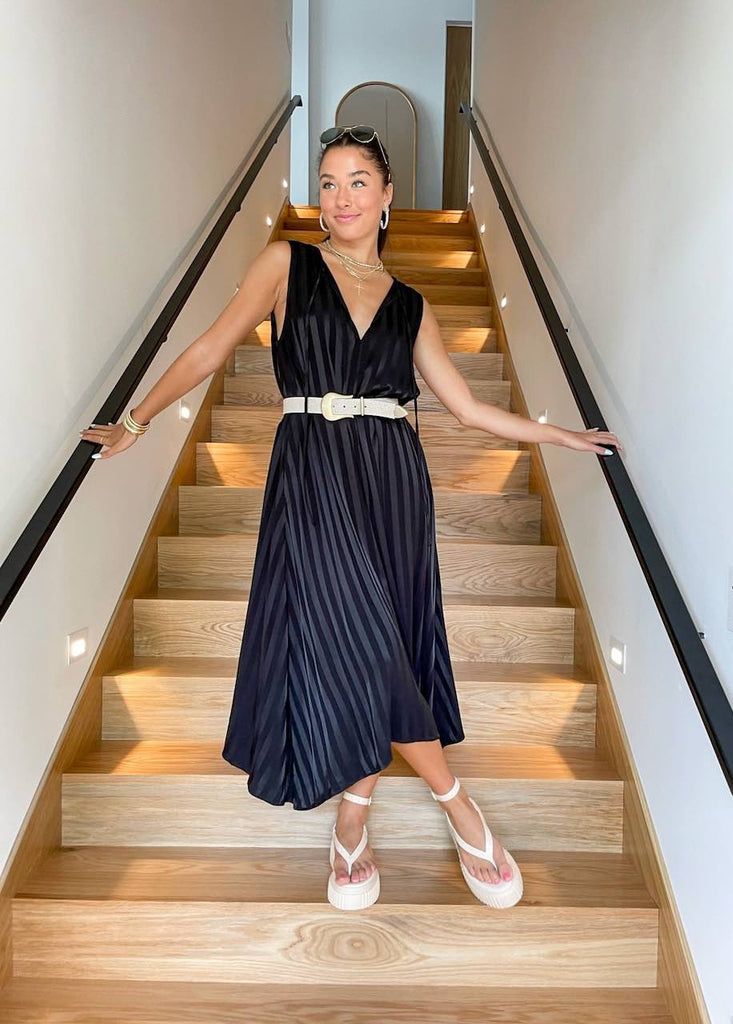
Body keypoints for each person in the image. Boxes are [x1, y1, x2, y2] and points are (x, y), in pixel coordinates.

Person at [80, 125, 623, 913]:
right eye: (328, 182)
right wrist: (136, 421)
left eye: (358, 181)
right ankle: (459, 806)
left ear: (387, 193)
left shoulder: (413, 305)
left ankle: (352, 819)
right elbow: (208, 350)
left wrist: (561, 436)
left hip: (395, 480)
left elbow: (468, 409)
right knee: (363, 631)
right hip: (312, 468)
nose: (341, 198)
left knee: (387, 635)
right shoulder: (286, 264)